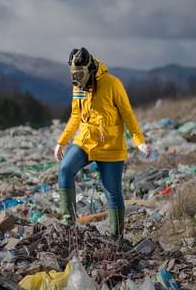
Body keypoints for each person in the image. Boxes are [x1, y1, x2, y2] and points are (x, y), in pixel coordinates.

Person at [54, 47, 150, 238]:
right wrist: (62, 141)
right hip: (85, 141)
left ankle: (116, 237)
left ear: (89, 68)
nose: (76, 78)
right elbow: (76, 114)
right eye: (73, 74)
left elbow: (127, 113)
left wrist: (139, 141)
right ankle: (68, 225)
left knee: (112, 192)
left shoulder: (112, 83)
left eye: (80, 73)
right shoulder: (78, 87)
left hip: (110, 146)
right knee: (65, 169)